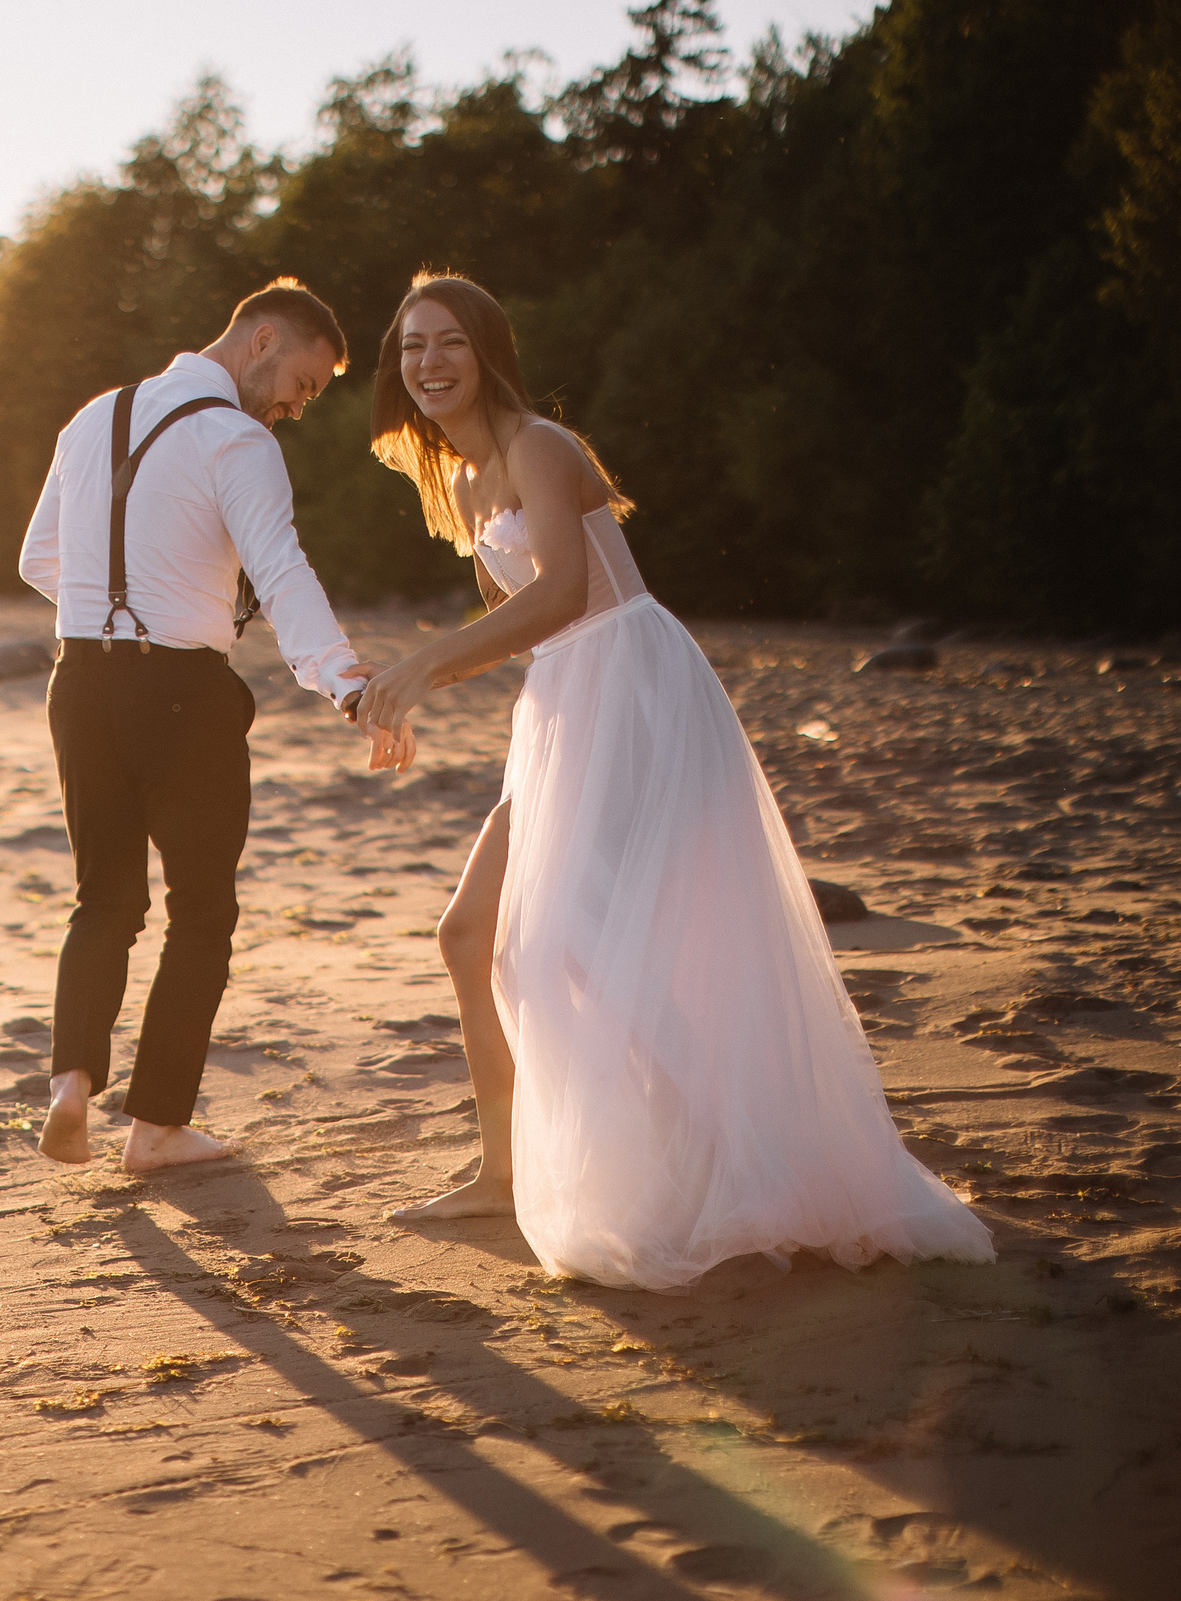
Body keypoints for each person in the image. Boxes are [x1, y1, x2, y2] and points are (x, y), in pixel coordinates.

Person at [347, 272, 993, 1290]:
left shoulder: (540, 447)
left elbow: (566, 593)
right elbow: (519, 628)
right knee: (469, 933)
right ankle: (501, 1172)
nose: (428, 362)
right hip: (566, 706)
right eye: (411, 346)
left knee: (573, 942)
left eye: (449, 341)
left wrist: (424, 664)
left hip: (633, 688)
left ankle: (731, 1158)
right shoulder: (462, 481)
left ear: (489, 352)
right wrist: (406, 696)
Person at [19, 279, 367, 1173]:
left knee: (104, 899)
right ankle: (157, 1128)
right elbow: (280, 571)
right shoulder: (238, 440)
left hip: (78, 682)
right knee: (202, 912)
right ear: (261, 340)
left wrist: (116, 606)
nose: (298, 405)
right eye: (303, 382)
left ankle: (70, 1083)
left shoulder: (93, 417)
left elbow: (38, 558)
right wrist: (344, 682)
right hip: (181, 693)